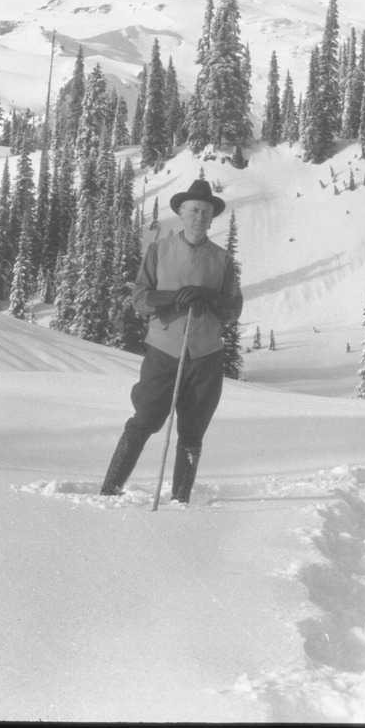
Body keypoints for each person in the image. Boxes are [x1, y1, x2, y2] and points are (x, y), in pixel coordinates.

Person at [98, 177, 243, 502]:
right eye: (193, 211)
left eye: (205, 212)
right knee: (145, 418)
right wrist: (173, 298)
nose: (199, 218)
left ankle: (180, 501)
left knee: (192, 431)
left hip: (205, 356)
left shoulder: (221, 260)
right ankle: (109, 490)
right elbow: (139, 299)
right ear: (180, 212)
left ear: (211, 217)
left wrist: (210, 298)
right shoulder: (159, 250)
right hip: (164, 352)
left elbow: (233, 308)